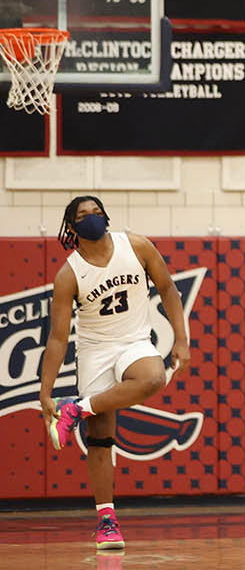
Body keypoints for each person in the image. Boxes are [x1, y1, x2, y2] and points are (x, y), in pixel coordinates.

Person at [38, 196, 191, 551]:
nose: (92, 217)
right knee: (101, 437)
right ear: (72, 228)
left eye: (96, 211)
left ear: (106, 215)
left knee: (153, 378)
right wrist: (46, 393)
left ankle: (74, 408)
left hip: (134, 340)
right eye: (83, 215)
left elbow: (168, 288)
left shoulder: (136, 245)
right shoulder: (69, 274)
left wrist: (181, 341)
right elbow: (58, 337)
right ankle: (107, 520)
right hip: (94, 351)